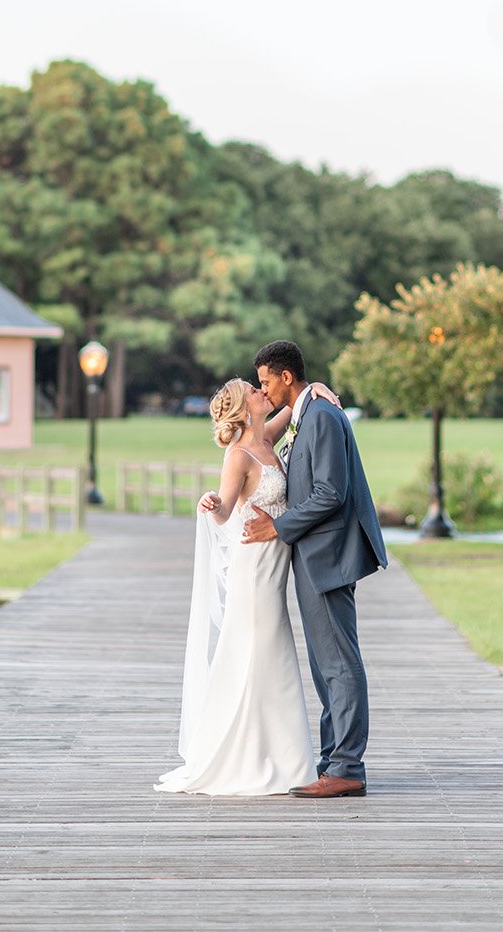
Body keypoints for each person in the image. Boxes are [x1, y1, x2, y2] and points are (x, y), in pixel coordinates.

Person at [155, 376, 340, 797]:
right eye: (254, 391)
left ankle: (283, 757)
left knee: (271, 649)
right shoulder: (238, 455)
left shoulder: (268, 436)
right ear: (245, 407)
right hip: (254, 565)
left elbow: (297, 402)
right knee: (261, 649)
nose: (263, 393)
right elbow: (224, 511)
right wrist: (211, 504)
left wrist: (318, 388)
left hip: (275, 564)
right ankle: (252, 756)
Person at [243, 339, 387, 799]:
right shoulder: (309, 412)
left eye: (266, 382)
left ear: (287, 377)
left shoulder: (322, 416)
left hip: (327, 556)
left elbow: (330, 493)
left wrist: (279, 528)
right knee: (328, 666)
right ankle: (333, 760)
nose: (263, 392)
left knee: (339, 665)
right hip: (314, 556)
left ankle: (346, 767)